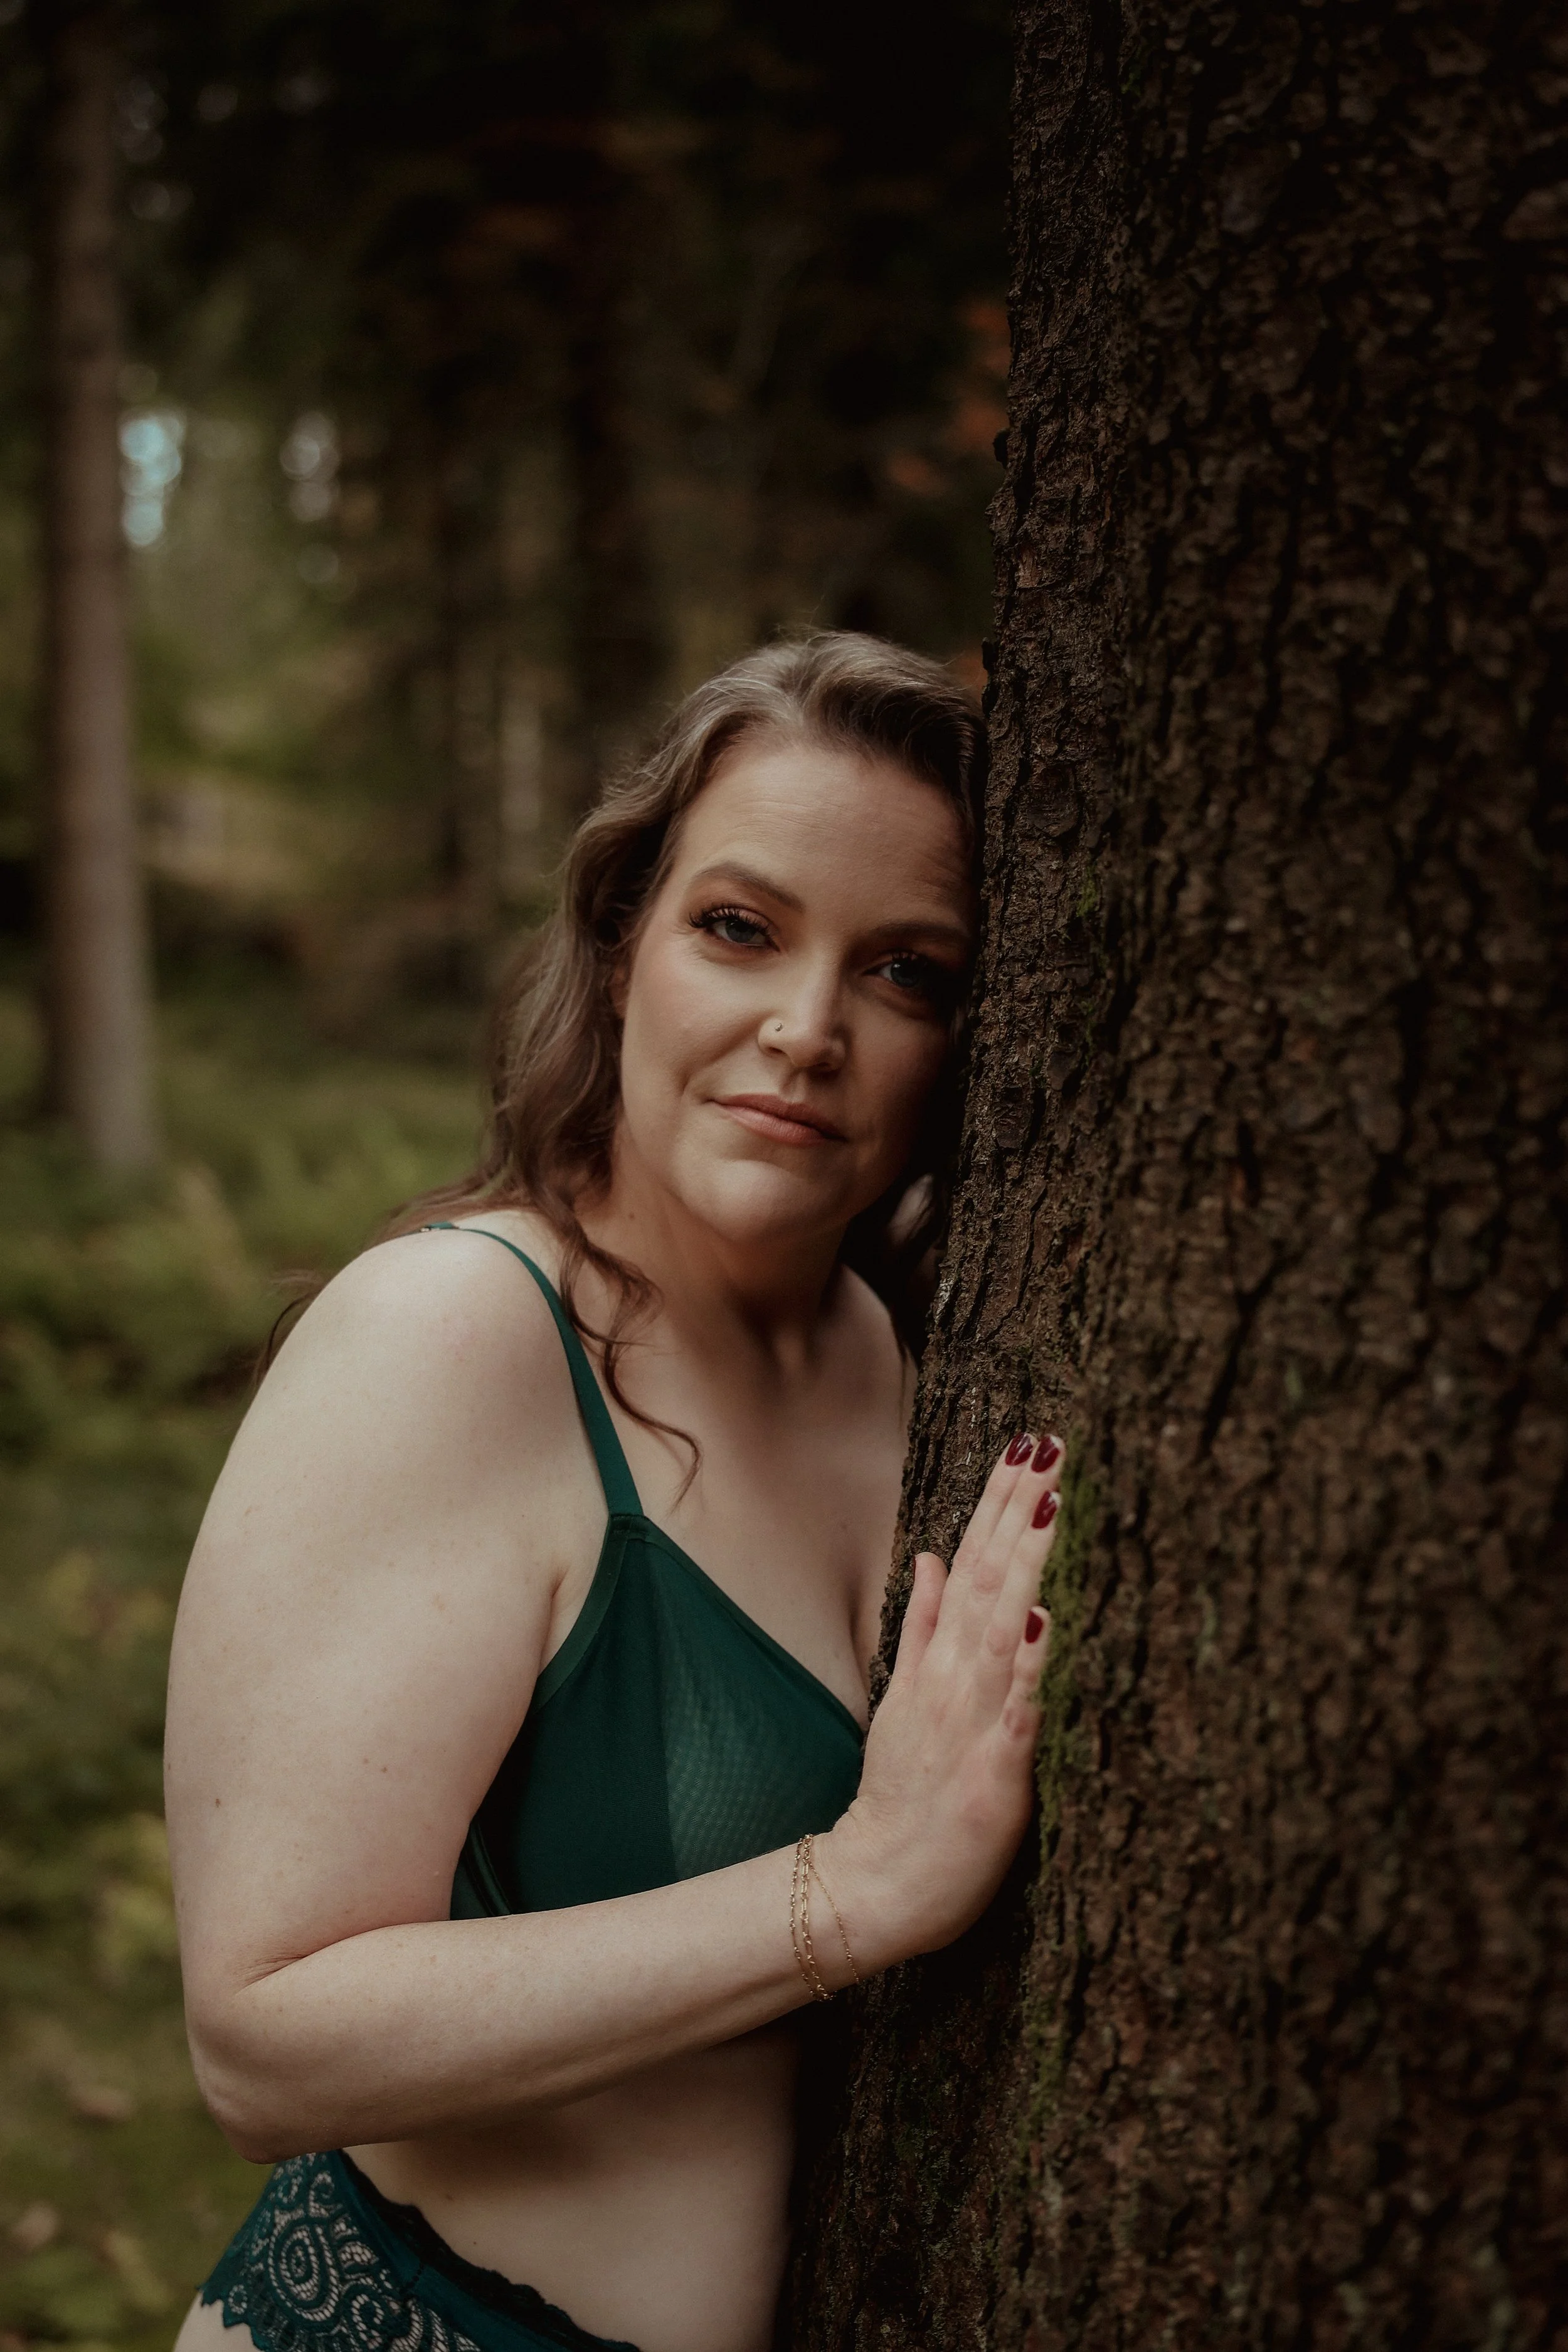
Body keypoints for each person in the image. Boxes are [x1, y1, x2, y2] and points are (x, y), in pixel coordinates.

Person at [166, 633, 1065, 2352]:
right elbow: (260, 2036)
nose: (805, 1029)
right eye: (741, 927)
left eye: (907, 971)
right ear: (621, 941)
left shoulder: (899, 1363)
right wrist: (848, 1890)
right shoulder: (457, 1333)